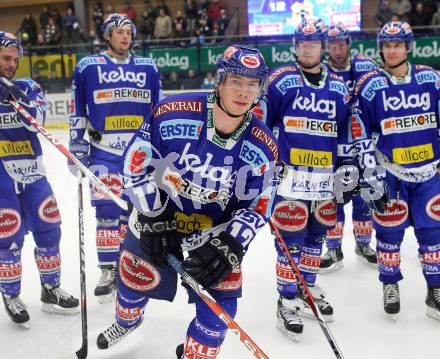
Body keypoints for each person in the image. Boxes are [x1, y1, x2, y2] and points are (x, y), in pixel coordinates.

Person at [96, 45, 279, 358]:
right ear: (219, 81)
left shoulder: (264, 146)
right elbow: (134, 165)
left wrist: (231, 244)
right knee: (131, 283)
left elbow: (261, 205)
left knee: (219, 317)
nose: (244, 91)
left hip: (213, 236)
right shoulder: (171, 112)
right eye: (237, 80)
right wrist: (153, 215)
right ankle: (127, 320)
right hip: (157, 220)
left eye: (253, 84)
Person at [262, 18, 352, 340]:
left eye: (314, 43)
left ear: (322, 46)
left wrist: (347, 168)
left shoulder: (339, 87)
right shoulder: (281, 80)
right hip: (289, 180)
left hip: (323, 181)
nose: (309, 48)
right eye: (304, 43)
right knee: (290, 242)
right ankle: (286, 299)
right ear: (296, 46)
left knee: (316, 239)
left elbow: (343, 133)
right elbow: (261, 126)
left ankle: (307, 289)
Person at [68, 14, 162, 301]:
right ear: (107, 35)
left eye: (129, 32)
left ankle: (130, 265)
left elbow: (159, 109)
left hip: (139, 154)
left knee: (135, 213)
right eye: (119, 32)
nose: (125, 37)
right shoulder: (87, 67)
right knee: (107, 213)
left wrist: (163, 145)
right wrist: (75, 143)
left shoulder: (148, 67)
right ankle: (108, 269)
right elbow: (77, 107)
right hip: (103, 152)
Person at [352, 21, 440, 320]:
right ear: (381, 48)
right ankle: (390, 283)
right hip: (391, 174)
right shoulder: (369, 85)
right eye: (387, 46)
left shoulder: (431, 78)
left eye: (397, 45)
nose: (392, 51)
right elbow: (359, 130)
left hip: (429, 173)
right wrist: (369, 173)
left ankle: (436, 288)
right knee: (389, 234)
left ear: (407, 47)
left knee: (433, 234)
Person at [0, 32, 79, 328]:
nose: (12, 64)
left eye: (15, 60)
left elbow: (39, 123)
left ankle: (51, 289)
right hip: (1, 177)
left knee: (50, 230)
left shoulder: (28, 86)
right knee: (8, 238)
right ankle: (11, 295)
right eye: (6, 58)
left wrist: (16, 98)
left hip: (33, 173)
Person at [319, 23, 378, 273]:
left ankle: (363, 245)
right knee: (335, 202)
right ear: (326, 47)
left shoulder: (366, 66)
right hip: (333, 150)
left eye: (341, 44)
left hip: (363, 147)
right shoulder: (321, 72)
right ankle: (334, 248)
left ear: (349, 45)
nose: (337, 49)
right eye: (332, 45)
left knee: (364, 199)